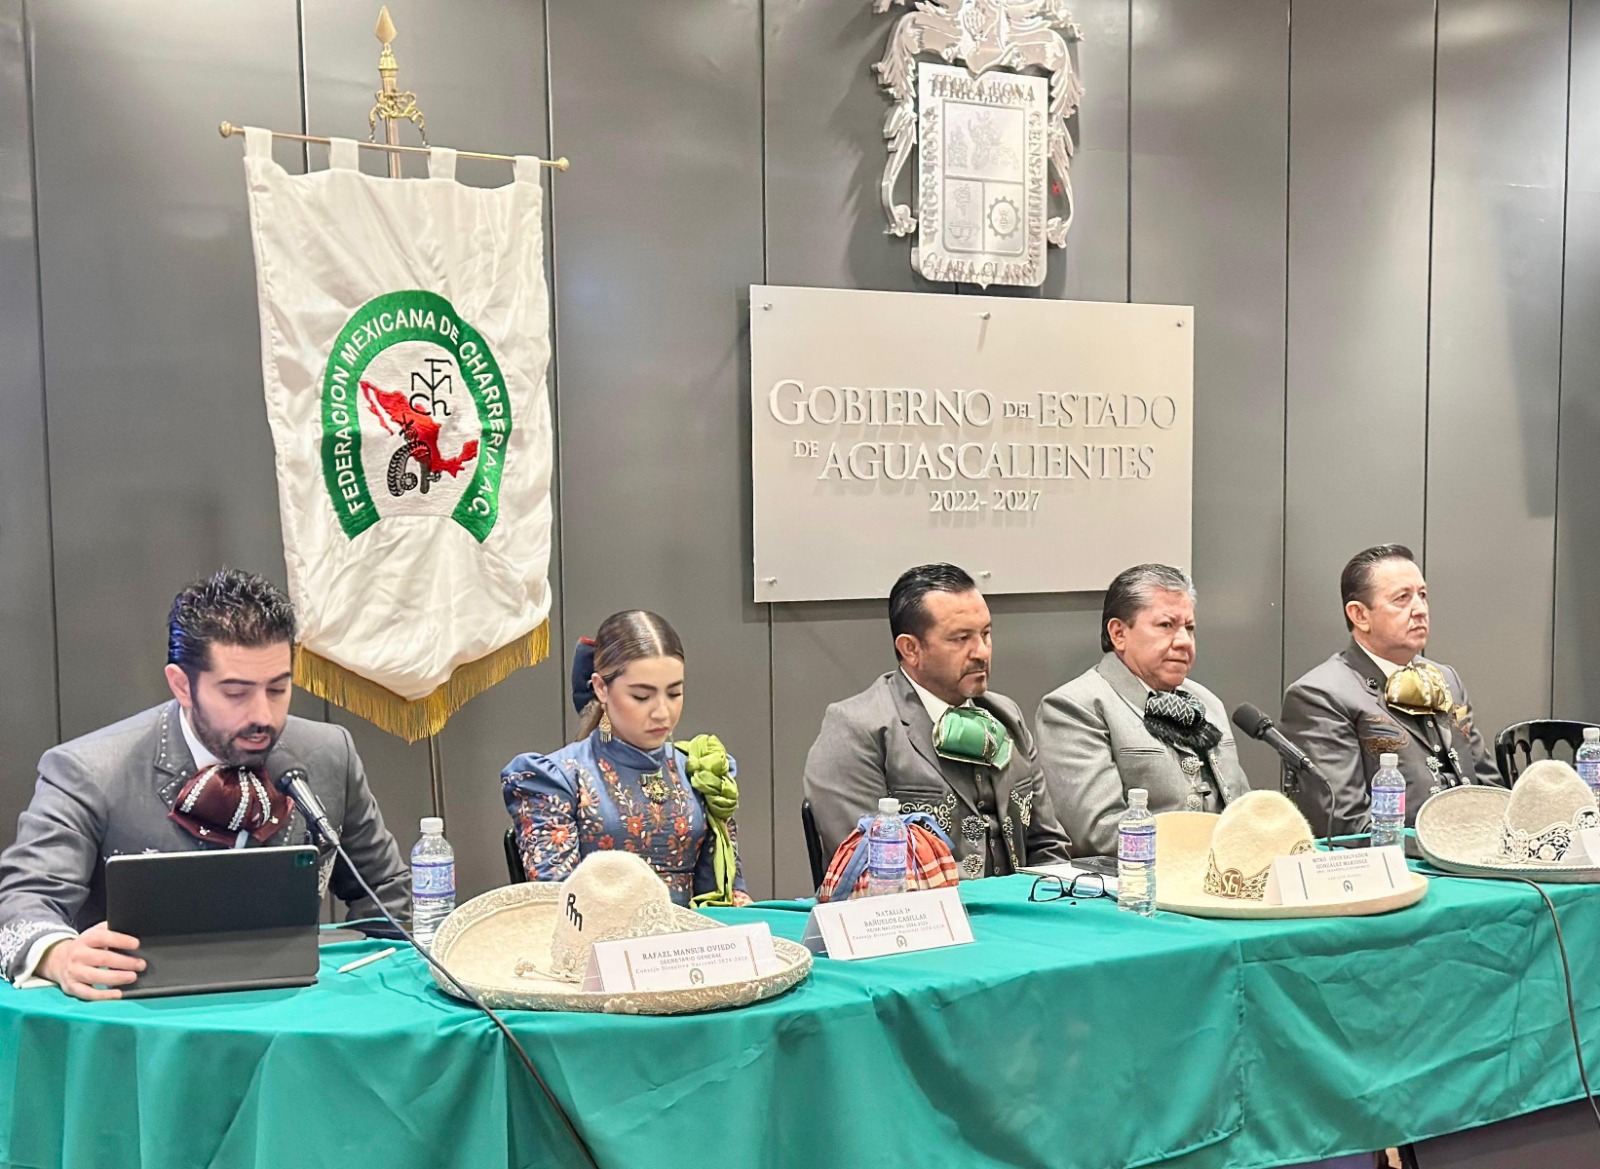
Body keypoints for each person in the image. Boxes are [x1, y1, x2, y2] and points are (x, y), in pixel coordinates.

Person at [0, 569, 410, 1001]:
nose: (263, 715)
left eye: (277, 689)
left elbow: (386, 893)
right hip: (141, 1015)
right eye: (235, 693)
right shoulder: (89, 770)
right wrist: (58, 955)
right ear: (182, 685)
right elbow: (23, 902)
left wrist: (370, 980)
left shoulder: (329, 753)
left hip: (298, 1009)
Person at [802, 563, 1073, 879]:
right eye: (960, 638)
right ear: (911, 649)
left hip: (1024, 905)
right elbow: (873, 868)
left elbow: (1048, 846)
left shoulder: (1005, 715)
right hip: (920, 908)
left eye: (986, 634)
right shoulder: (857, 729)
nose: (981, 652)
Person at [502, 610, 750, 908]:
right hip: (598, 933)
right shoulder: (558, 778)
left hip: (697, 934)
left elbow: (727, 891)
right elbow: (559, 903)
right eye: (642, 697)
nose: (662, 712)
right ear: (601, 688)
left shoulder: (699, 768)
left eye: (674, 693)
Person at [1280, 544, 1502, 837]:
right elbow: (1345, 823)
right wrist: (1444, 846)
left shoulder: (1446, 679)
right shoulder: (1320, 695)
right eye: (1402, 598)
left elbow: (1489, 786)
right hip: (1398, 859)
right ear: (1360, 615)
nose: (1420, 609)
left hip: (1474, 850)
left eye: (1422, 595)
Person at [1035, 564, 1251, 857]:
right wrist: (1207, 847)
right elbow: (1098, 832)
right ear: (1118, 634)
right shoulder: (1075, 706)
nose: (1184, 641)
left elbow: (1242, 808)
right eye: (1166, 625)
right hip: (1132, 880)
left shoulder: (1208, 703)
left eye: (1189, 628)